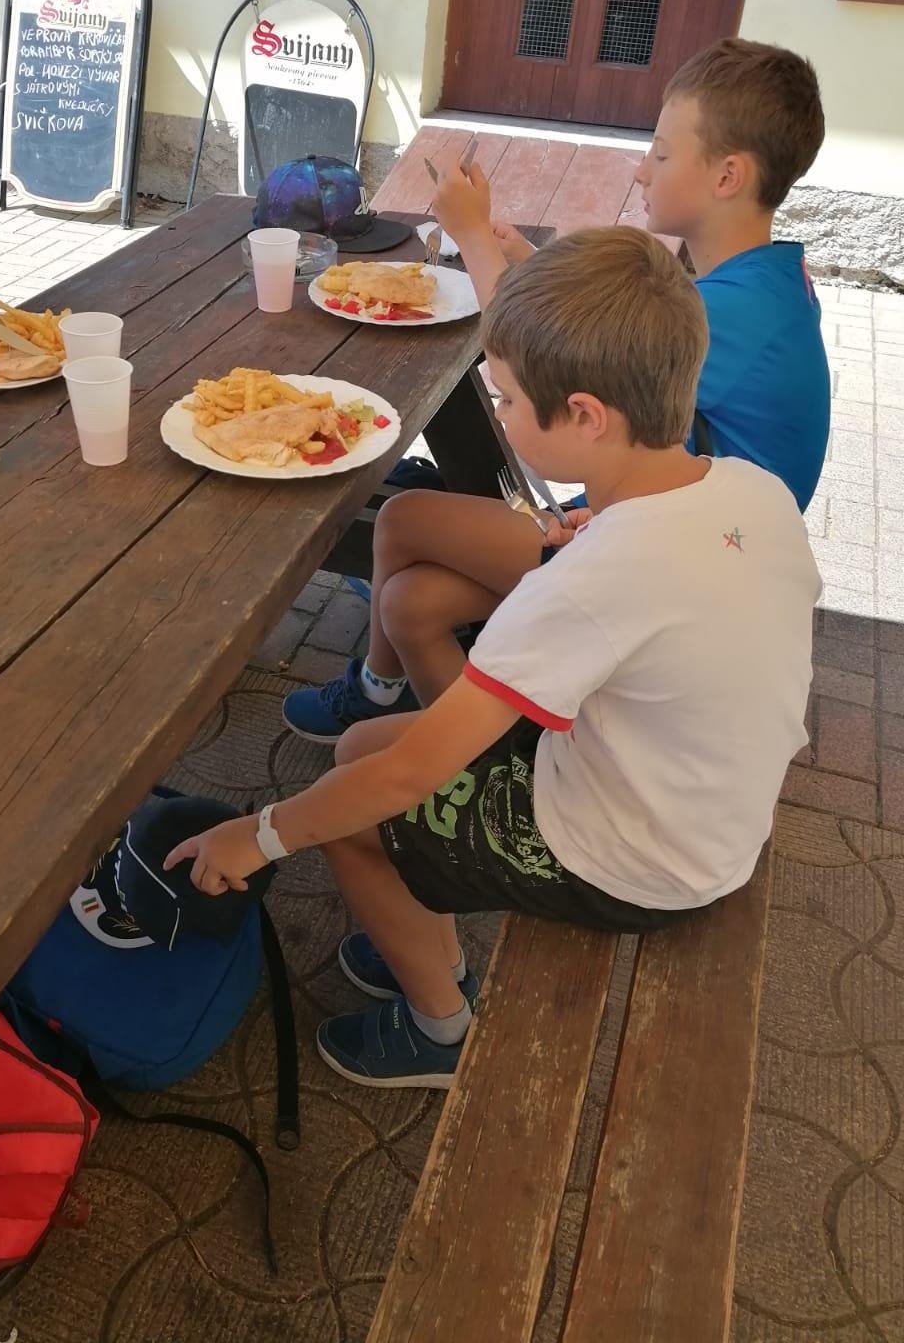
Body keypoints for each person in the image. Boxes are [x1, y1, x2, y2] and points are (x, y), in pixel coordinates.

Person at [165, 228, 820, 1088]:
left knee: (350, 812)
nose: (499, 413)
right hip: (705, 809)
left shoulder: (585, 585)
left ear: (586, 416)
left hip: (638, 860)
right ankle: (415, 928)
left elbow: (408, 779)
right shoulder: (752, 490)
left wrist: (257, 837)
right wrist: (605, 528)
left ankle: (439, 1028)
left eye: (505, 399)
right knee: (361, 747)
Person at [283, 37, 830, 741]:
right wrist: (528, 263)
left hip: (674, 564)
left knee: (404, 522)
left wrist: (473, 236)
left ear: (728, 176)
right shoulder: (767, 283)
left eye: (662, 154)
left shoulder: (727, 312)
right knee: (412, 598)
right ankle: (477, 744)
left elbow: (539, 369)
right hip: (681, 537)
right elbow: (609, 347)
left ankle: (406, 709)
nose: (641, 170)